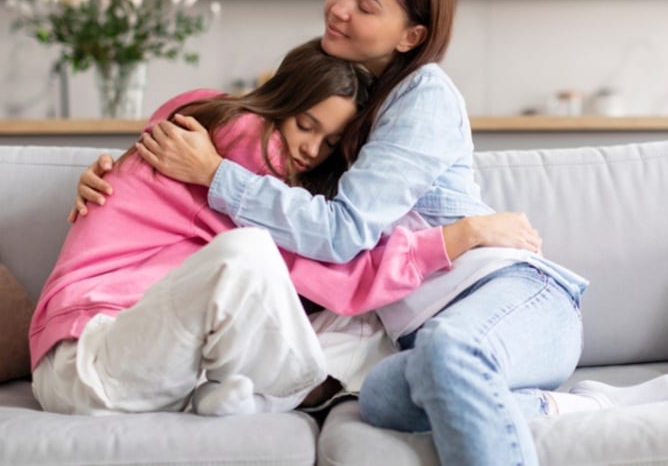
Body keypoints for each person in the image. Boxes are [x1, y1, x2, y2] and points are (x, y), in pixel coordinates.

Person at [72, 0, 668, 465]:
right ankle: (578, 407)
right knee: (377, 400)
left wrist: (216, 174)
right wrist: (117, 180)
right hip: (421, 338)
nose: (339, 7)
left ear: (411, 35)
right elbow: (248, 197)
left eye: (365, 3)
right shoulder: (343, 108)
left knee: (446, 354)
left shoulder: (423, 96)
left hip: (511, 299)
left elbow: (342, 232)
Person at [31, 38, 538, 419]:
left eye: (330, 142)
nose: (311, 150)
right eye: (306, 124)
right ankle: (300, 390)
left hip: (150, 355)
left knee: (362, 328)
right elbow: (340, 272)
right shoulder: (237, 144)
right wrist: (461, 234)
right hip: (90, 355)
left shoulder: (222, 139)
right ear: (283, 100)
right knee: (251, 254)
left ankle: (236, 393)